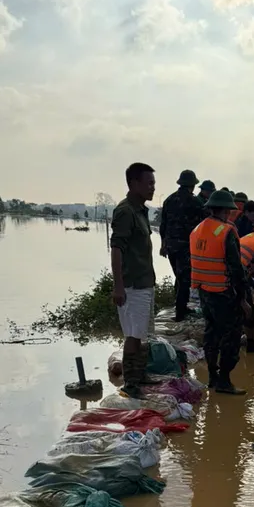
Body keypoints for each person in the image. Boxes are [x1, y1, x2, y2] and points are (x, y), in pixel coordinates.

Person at [190, 189, 249, 394]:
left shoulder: (197, 229)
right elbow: (236, 268)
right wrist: (242, 299)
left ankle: (213, 378)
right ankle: (224, 381)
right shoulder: (225, 231)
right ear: (225, 210)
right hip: (223, 292)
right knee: (231, 337)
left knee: (211, 333)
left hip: (204, 291)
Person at [110, 162, 156, 398]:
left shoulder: (141, 210)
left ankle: (140, 375)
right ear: (133, 183)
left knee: (143, 333)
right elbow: (116, 249)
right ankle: (130, 383)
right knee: (133, 334)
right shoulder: (125, 211)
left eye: (154, 184)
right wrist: (118, 286)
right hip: (132, 285)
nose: (152, 188)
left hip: (145, 282)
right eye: (148, 183)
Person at [160, 169, 205, 321]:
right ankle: (180, 313)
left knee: (179, 278)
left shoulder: (169, 200)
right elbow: (203, 225)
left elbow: (163, 225)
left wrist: (163, 244)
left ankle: (181, 306)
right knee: (185, 279)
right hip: (187, 247)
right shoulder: (196, 202)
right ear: (192, 185)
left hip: (171, 246)